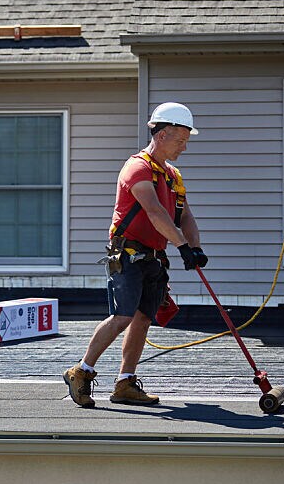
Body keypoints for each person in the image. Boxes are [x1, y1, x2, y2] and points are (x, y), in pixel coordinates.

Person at [63, 102, 208, 407]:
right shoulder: (137, 167)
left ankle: (124, 383)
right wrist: (181, 246)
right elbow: (154, 211)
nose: (184, 147)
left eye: (186, 142)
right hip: (128, 254)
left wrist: (195, 247)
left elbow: (184, 217)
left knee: (143, 319)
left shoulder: (173, 176)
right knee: (123, 316)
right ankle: (81, 371)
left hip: (154, 256)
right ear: (163, 134)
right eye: (181, 140)